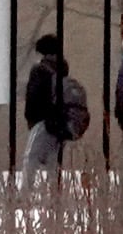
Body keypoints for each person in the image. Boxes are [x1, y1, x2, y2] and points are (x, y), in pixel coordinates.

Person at [21, 34, 87, 177]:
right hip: (59, 124)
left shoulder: (39, 70)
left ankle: (23, 198)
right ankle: (54, 196)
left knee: (30, 160)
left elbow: (33, 99)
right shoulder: (61, 69)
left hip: (42, 123)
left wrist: (31, 120)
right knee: (52, 164)